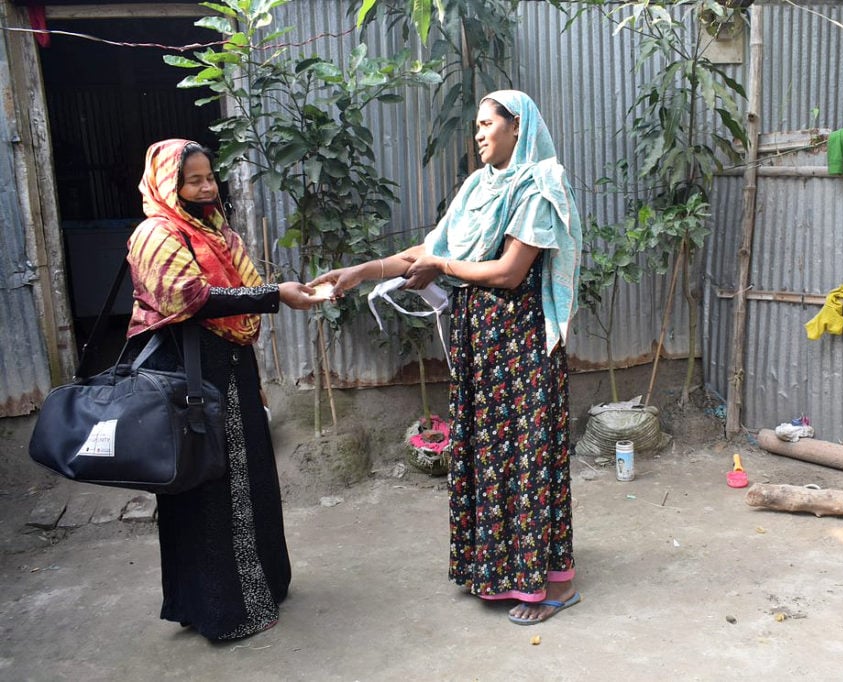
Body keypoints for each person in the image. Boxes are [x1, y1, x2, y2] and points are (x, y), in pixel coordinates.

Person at [311, 90, 583, 625]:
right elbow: (431, 248)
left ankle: (554, 584)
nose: (479, 134)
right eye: (477, 125)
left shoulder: (539, 184)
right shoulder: (478, 187)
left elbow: (508, 272)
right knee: (488, 455)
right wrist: (363, 271)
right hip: (480, 347)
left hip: (522, 345)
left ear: (517, 128)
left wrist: (442, 265)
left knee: (527, 458)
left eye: (488, 124)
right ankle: (501, 570)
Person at [125, 138, 319, 641]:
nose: (207, 186)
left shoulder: (219, 234)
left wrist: (269, 299)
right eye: (194, 180)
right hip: (190, 378)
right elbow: (190, 297)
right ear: (170, 184)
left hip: (232, 372)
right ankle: (220, 608)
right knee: (206, 486)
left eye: (210, 176)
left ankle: (263, 586)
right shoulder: (154, 234)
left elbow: (241, 298)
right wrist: (274, 294)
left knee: (249, 479)